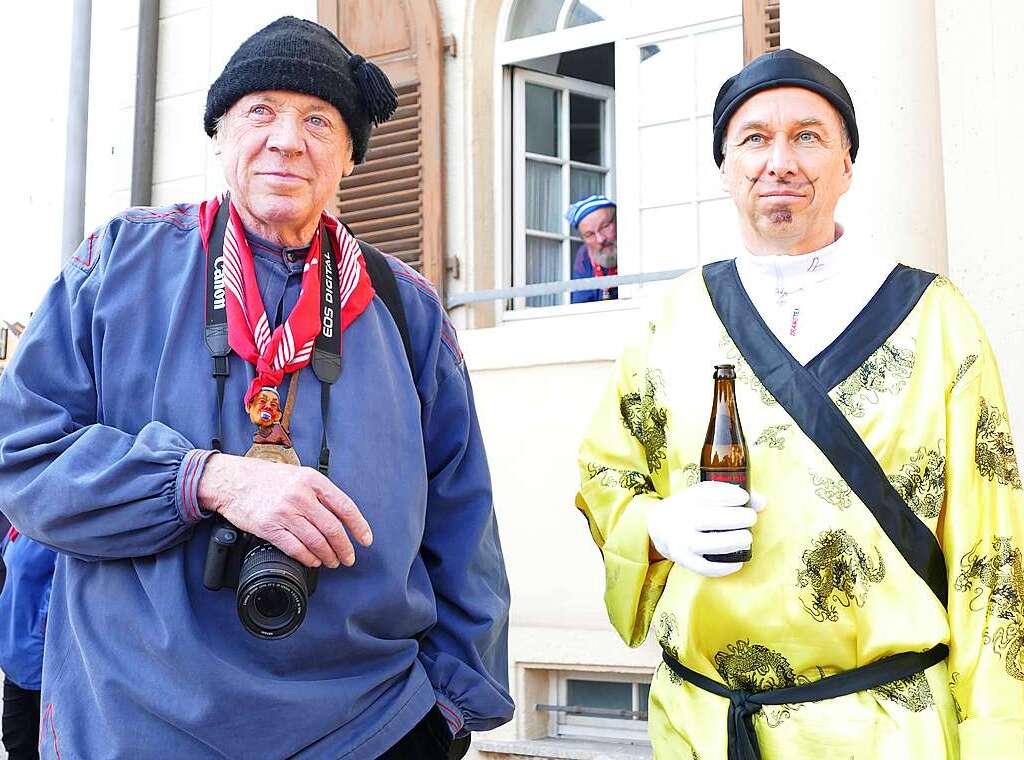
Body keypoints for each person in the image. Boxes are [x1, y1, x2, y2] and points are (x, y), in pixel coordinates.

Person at [0, 16, 512, 759]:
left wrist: (450, 710)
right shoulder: (120, 264)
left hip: (369, 727)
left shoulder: (405, 307)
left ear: (348, 155)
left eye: (318, 120)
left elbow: (463, 517)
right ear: (220, 134)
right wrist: (201, 480)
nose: (286, 139)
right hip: (135, 723)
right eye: (260, 111)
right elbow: (24, 455)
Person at [575, 49, 1024, 759]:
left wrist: (999, 738)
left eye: (808, 136)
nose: (779, 160)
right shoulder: (674, 317)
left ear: (848, 163)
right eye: (754, 138)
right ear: (725, 166)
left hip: (886, 730)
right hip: (704, 726)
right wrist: (654, 525)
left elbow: (991, 553)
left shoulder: (936, 320)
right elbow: (606, 477)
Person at [0, 528, 57, 760]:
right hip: (14, 663)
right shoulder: (21, 522)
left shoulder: (58, 531)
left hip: (46, 670)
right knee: (17, 745)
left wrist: (42, 633)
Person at [566, 194, 618, 304]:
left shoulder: (638, 245)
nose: (600, 239)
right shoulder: (584, 257)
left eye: (605, 226)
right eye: (590, 235)